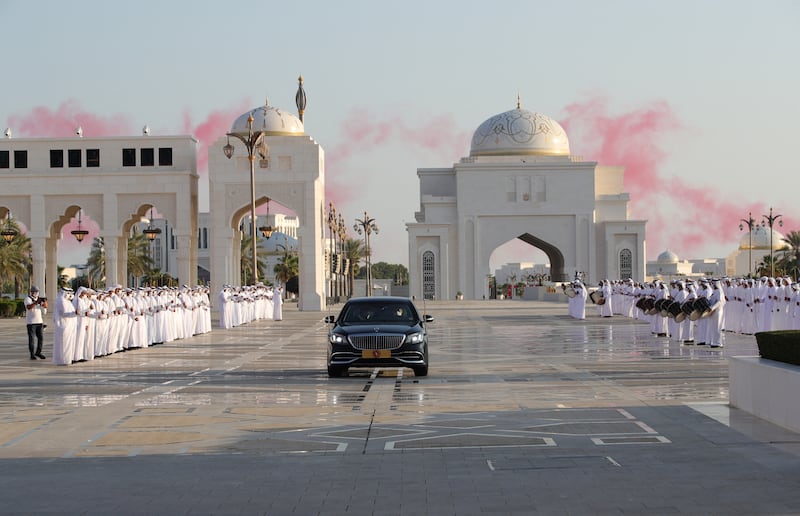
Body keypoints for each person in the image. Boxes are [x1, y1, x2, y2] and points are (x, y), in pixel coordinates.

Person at [24, 285, 48, 360]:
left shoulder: (39, 299)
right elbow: (28, 307)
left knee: (40, 338)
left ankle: (38, 352)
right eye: (35, 292)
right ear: (31, 292)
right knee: (32, 339)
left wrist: (44, 303)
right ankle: (32, 354)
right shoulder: (28, 299)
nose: (36, 293)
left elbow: (45, 309)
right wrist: (35, 302)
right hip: (31, 323)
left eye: (37, 292)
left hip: (39, 322)